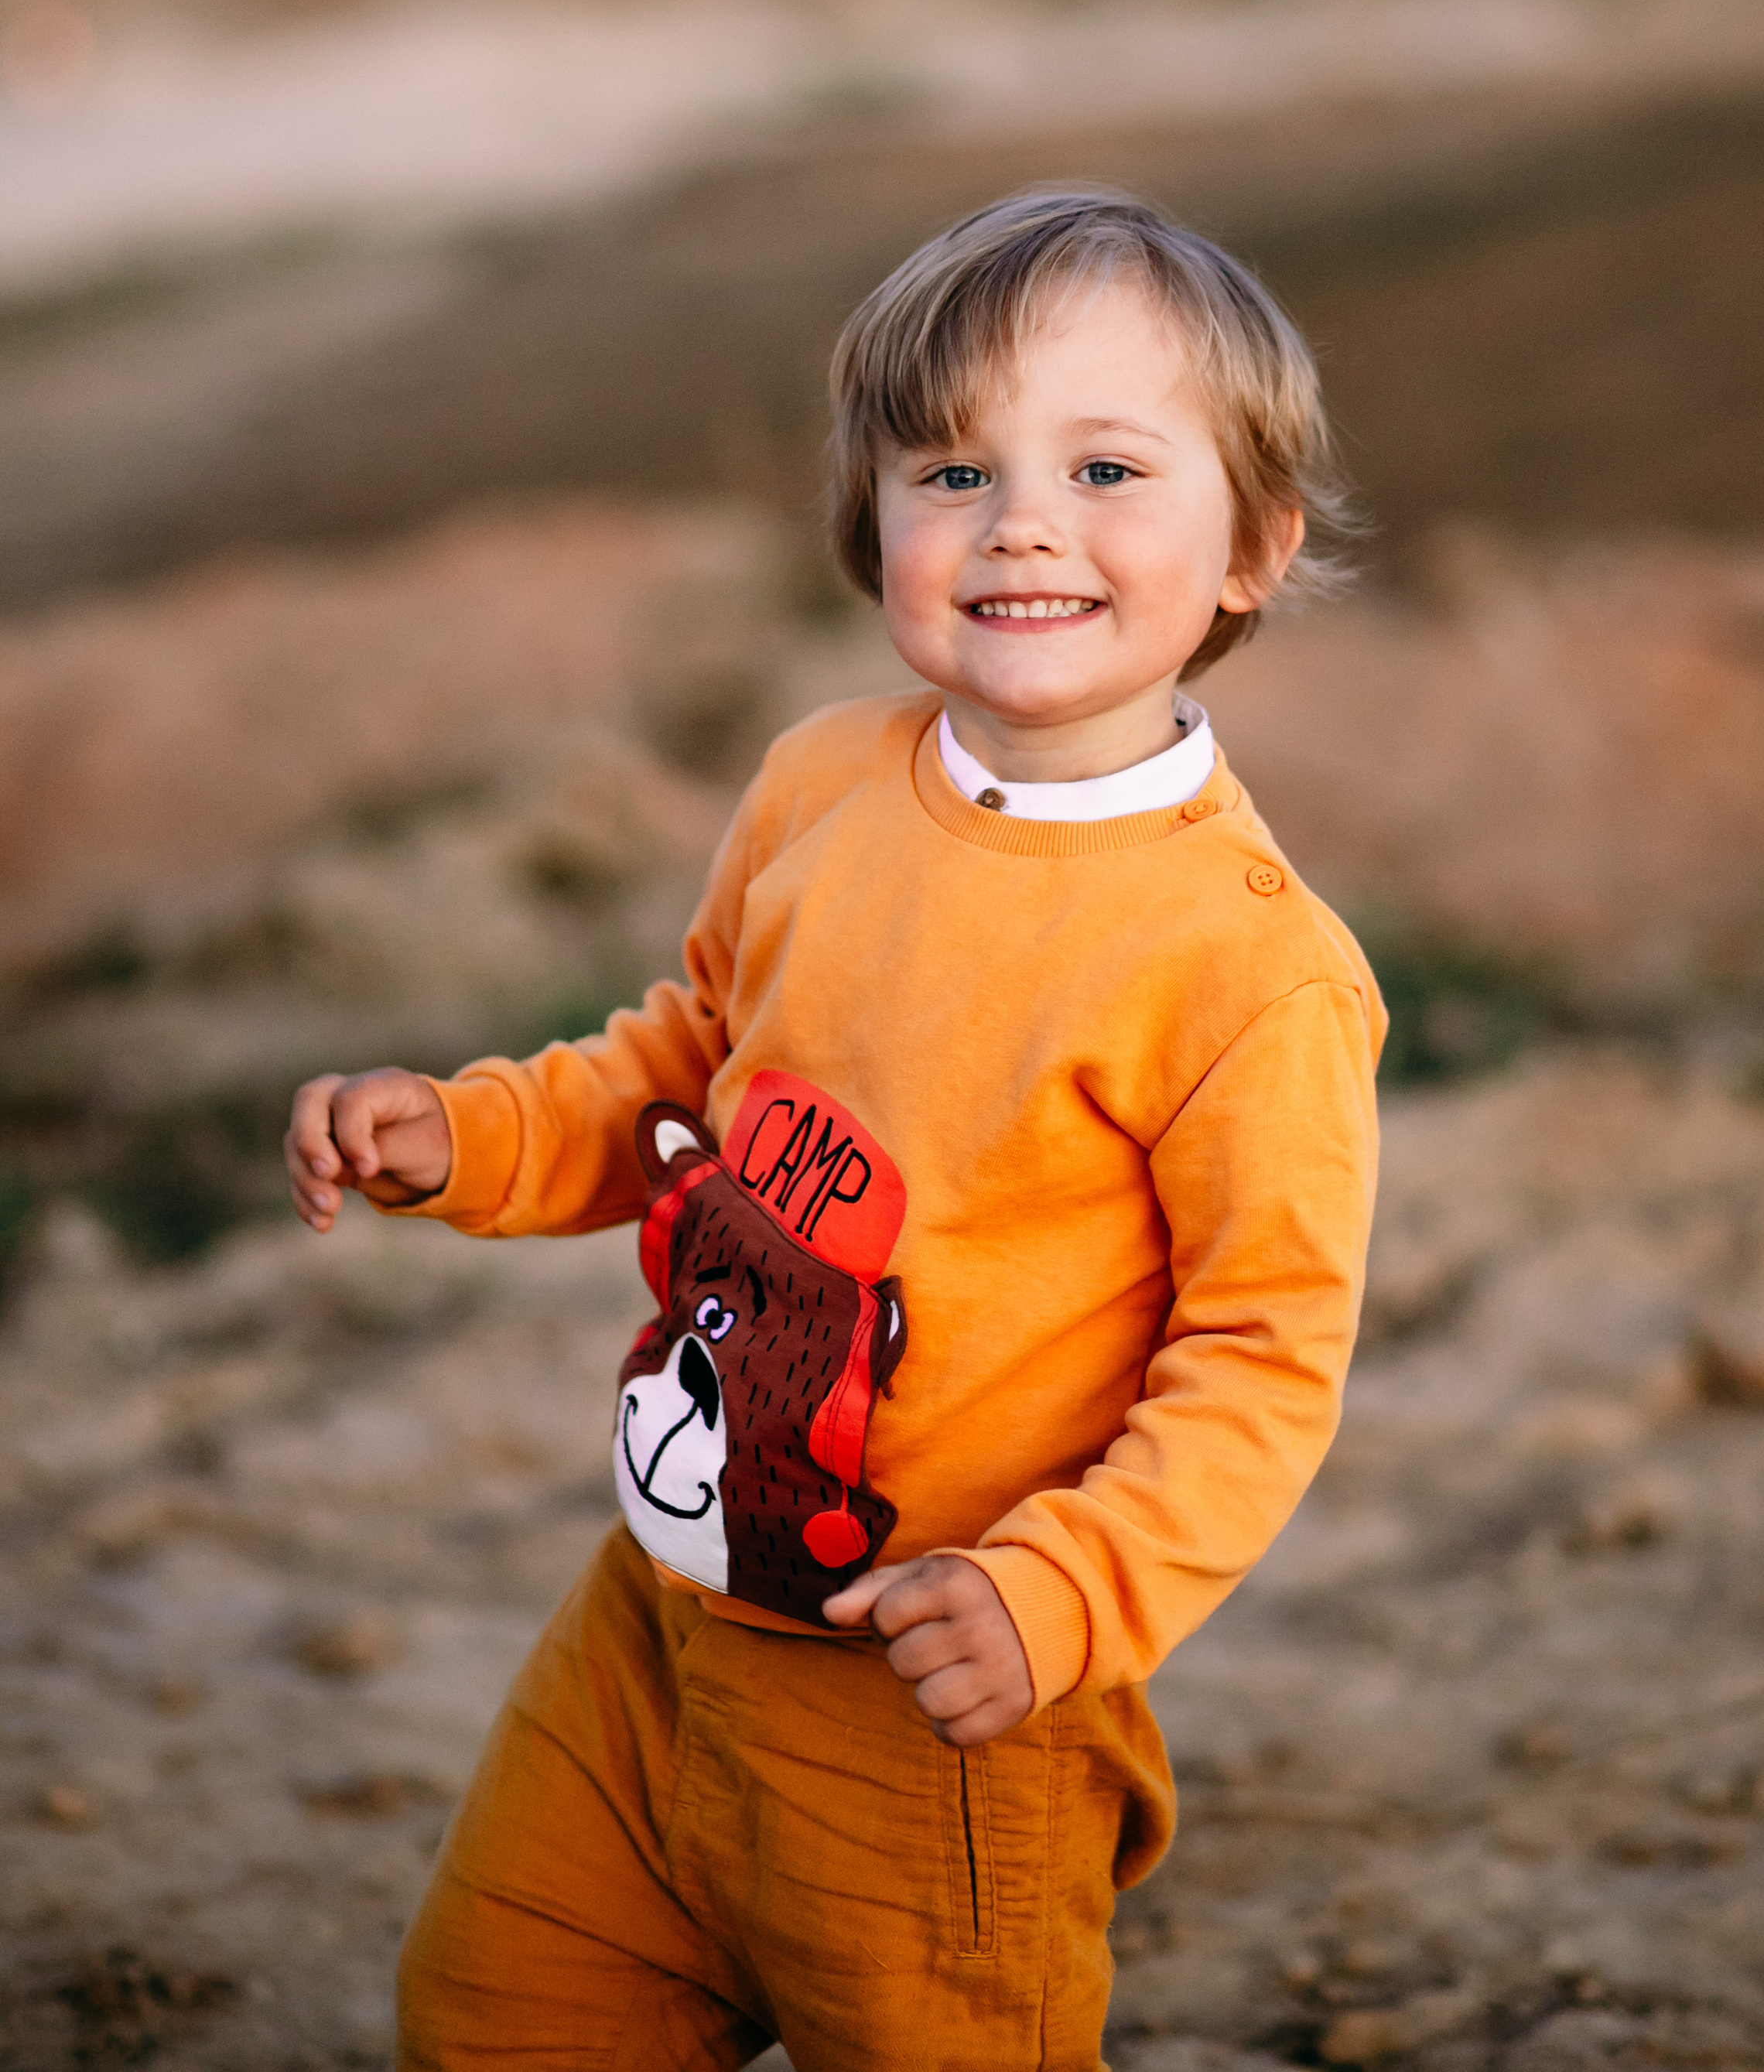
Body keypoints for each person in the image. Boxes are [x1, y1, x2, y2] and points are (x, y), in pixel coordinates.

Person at [285, 184, 1384, 2072]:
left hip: (937, 1700)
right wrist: (466, 1136)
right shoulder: (819, 784)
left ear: (1251, 548)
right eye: (950, 471)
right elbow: (683, 1069)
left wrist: (1057, 1594)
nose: (1020, 521)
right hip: (656, 1626)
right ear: (871, 523)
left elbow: (1259, 1362)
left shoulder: (1241, 971)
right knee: (495, 2015)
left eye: (1105, 469)